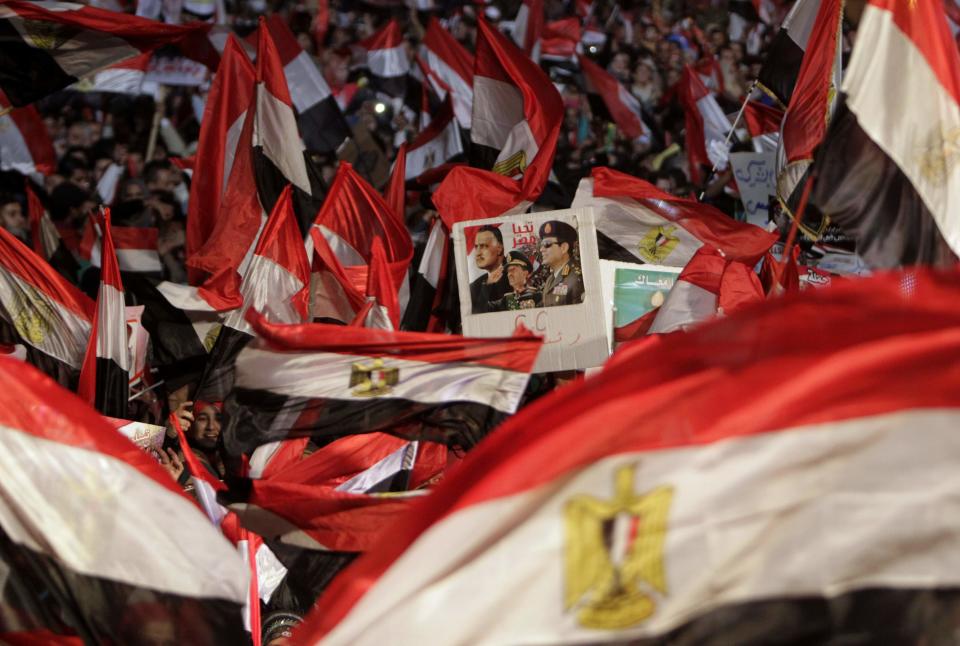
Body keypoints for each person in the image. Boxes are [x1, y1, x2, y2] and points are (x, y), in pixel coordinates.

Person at [539, 220, 585, 307]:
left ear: (564, 248)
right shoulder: (550, 279)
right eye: (541, 245)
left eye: (547, 244)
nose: (541, 249)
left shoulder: (577, 279)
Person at [469, 225, 510, 314]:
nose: (478, 253)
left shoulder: (517, 274)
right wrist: (487, 286)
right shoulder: (474, 287)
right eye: (476, 247)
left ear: (499, 249)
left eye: (484, 246)